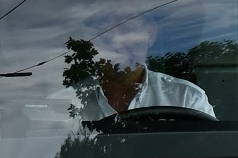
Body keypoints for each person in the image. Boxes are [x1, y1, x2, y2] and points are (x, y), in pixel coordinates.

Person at [70, 16, 217, 121]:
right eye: (104, 31)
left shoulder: (187, 99)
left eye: (128, 29)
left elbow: (209, 152)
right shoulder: (66, 104)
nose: (116, 42)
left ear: (151, 34)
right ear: (89, 40)